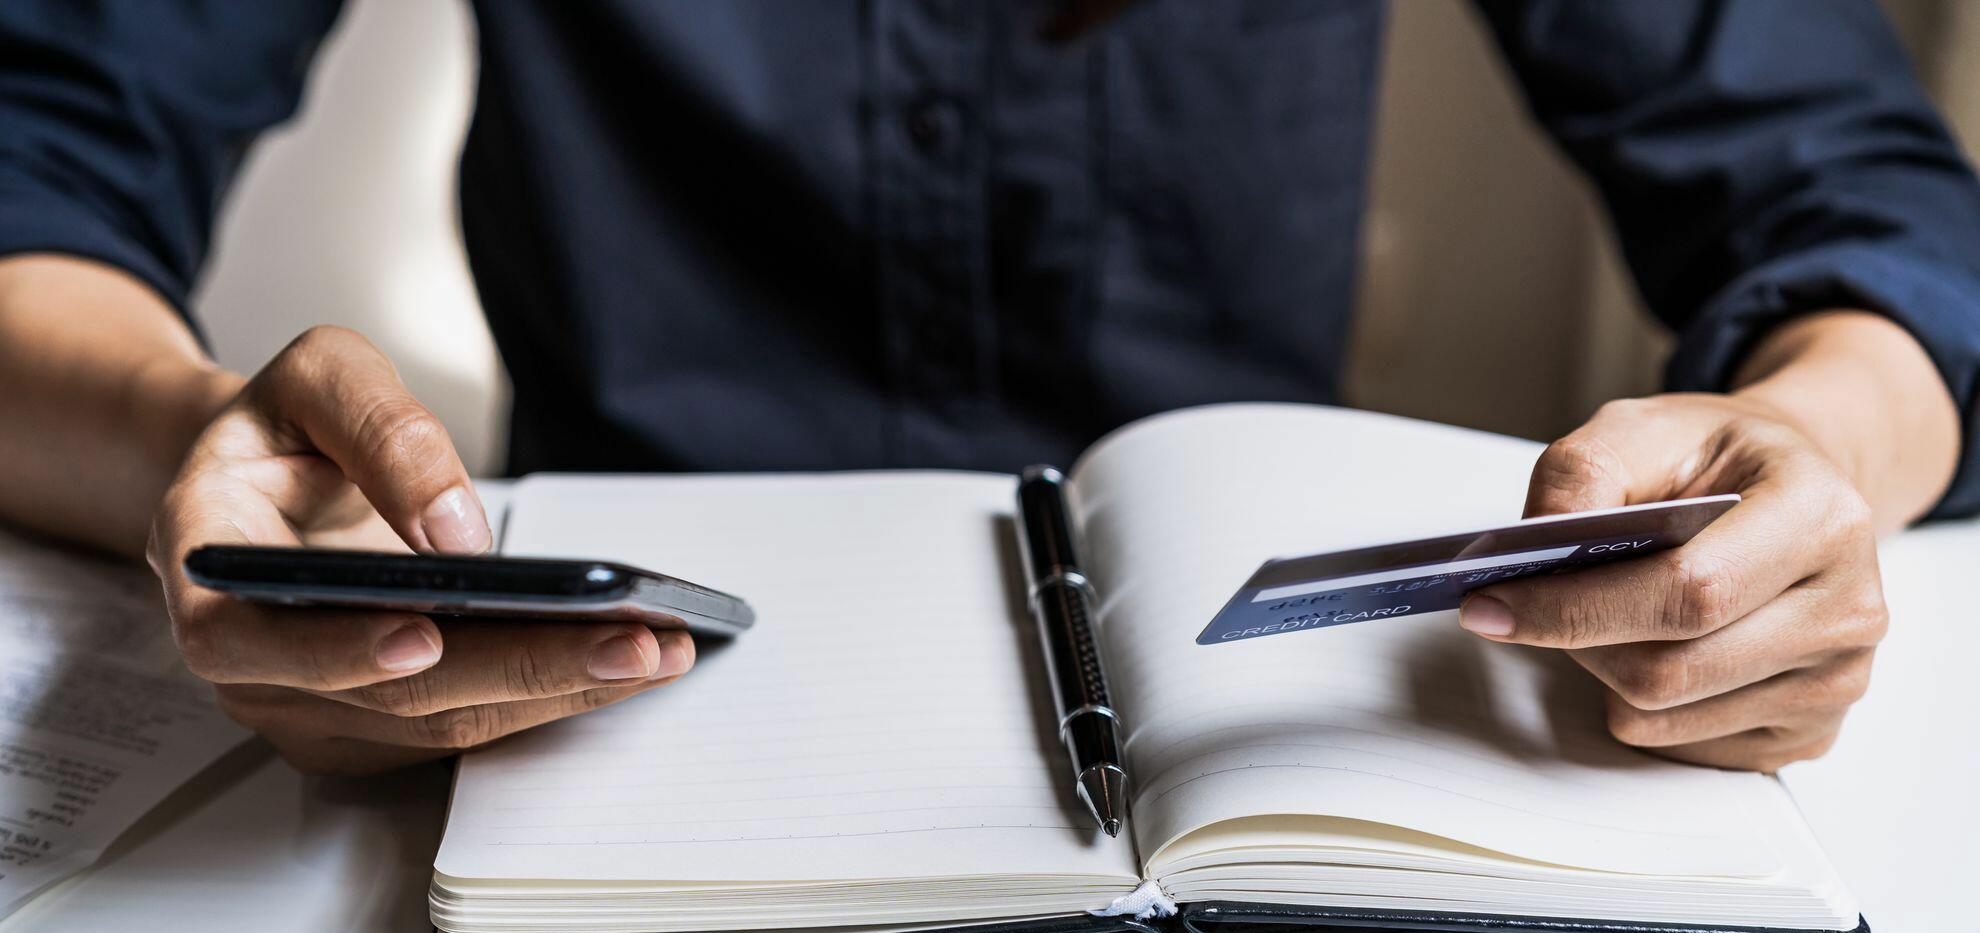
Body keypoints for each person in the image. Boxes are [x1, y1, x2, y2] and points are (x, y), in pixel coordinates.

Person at [0, 1, 1974, 776]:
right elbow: (42, 165)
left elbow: (1870, 206)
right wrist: (196, 433)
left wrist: (1821, 446)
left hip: (1265, 777)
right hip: (561, 751)